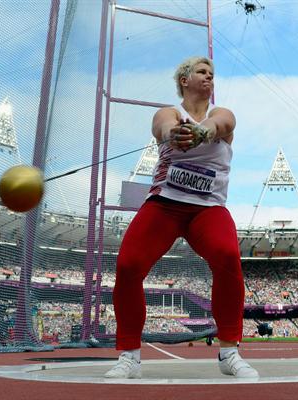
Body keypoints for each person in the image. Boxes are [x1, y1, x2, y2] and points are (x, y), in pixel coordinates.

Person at [105, 56, 258, 380]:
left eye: (212, 74)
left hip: (208, 209)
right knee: (128, 265)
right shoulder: (169, 114)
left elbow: (223, 125)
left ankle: (229, 351)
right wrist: (174, 133)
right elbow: (162, 125)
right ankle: (129, 356)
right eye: (202, 72)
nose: (209, 78)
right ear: (184, 80)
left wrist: (202, 132)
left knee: (228, 255)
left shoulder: (222, 114)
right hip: (165, 205)